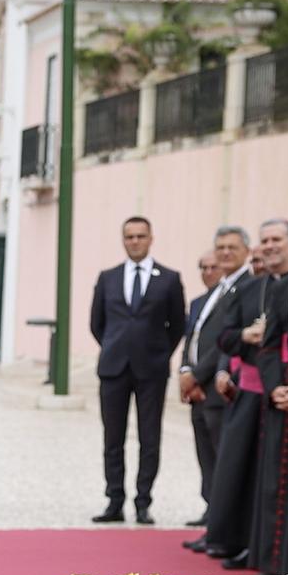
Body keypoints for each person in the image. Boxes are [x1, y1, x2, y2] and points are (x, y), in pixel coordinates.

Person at [87, 217, 184, 524]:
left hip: (151, 369)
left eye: (141, 236)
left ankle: (143, 501)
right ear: (123, 240)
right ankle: (114, 499)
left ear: (151, 238)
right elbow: (97, 323)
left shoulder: (168, 278)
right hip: (114, 368)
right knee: (112, 438)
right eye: (129, 236)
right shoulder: (109, 278)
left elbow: (177, 326)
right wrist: (116, 346)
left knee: (149, 437)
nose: (135, 241)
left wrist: (157, 352)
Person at [236, 219, 288, 575]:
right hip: (284, 391)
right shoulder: (287, 288)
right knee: (275, 482)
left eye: (277, 239)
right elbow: (268, 347)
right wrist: (275, 386)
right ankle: (277, 562)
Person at [199, 226, 261, 563]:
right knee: (219, 464)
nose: (223, 253)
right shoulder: (224, 287)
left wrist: (211, 371)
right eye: (218, 246)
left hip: (248, 387)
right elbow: (221, 335)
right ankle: (218, 527)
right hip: (225, 383)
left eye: (231, 247)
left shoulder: (249, 284)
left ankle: (234, 535)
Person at [179, 250, 227, 534]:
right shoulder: (199, 302)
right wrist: (185, 372)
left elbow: (220, 345)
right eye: (203, 267)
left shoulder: (229, 300)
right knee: (203, 452)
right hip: (195, 388)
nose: (208, 271)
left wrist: (197, 376)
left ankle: (221, 514)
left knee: (220, 452)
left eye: (213, 266)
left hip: (213, 388)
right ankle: (209, 506)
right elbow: (190, 340)